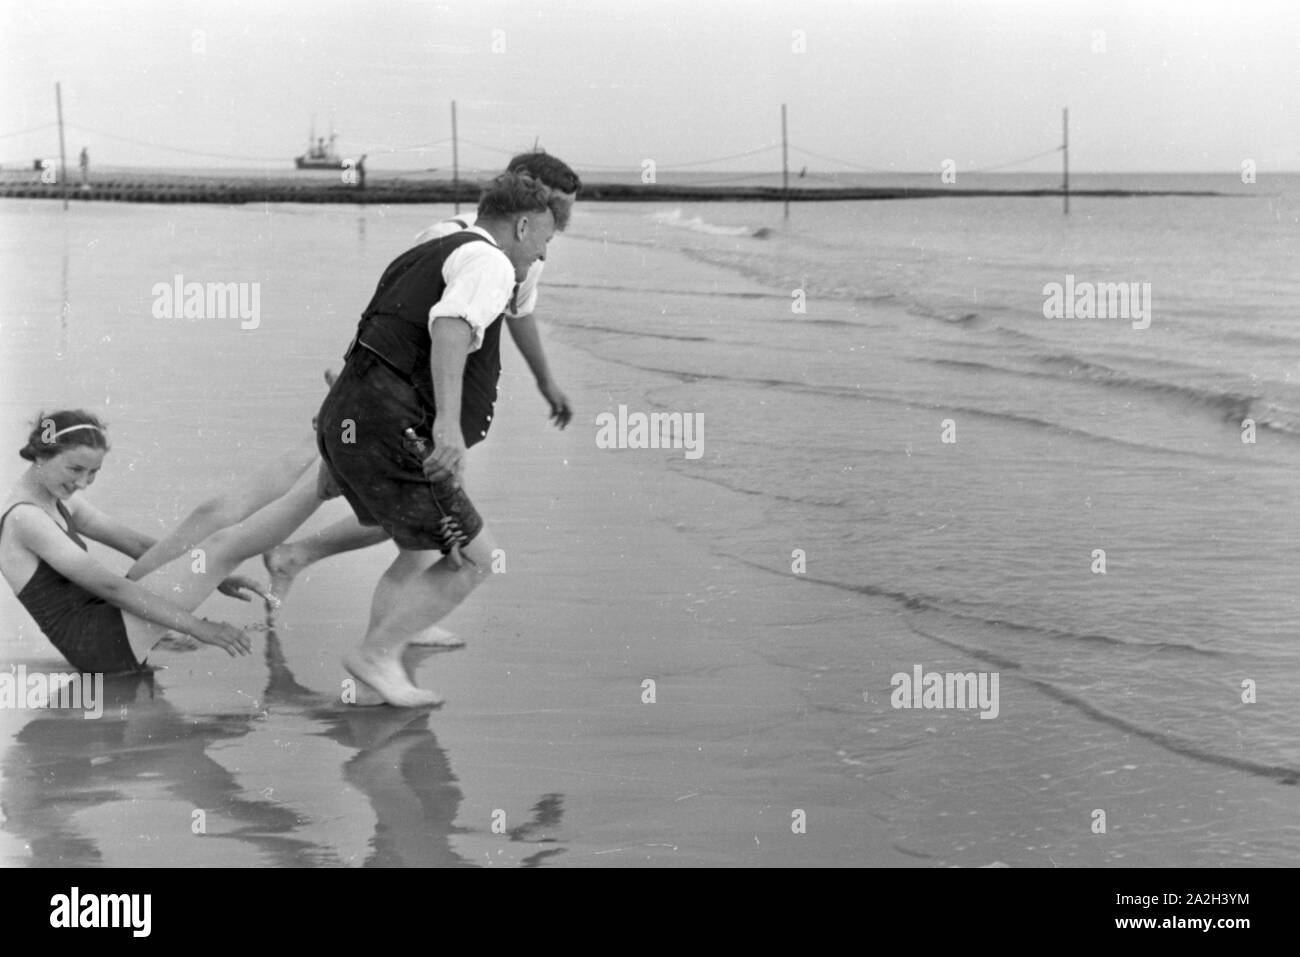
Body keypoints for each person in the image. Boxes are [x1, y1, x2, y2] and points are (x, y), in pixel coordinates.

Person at [262, 151, 580, 608]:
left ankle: (372, 620)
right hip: (418, 409)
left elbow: (519, 313)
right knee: (437, 528)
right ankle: (381, 640)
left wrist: (545, 382)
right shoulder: (457, 240)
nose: (562, 219)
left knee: (430, 528)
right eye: (555, 203)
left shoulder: (527, 251)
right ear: (523, 192)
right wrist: (365, 389)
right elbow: (402, 312)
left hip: (435, 406)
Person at [314, 169, 563, 707]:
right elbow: (450, 327)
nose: (541, 255)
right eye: (544, 240)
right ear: (522, 226)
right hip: (393, 426)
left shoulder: (428, 250)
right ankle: (376, 655)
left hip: (350, 412)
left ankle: (382, 670)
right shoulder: (491, 261)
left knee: (425, 546)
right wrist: (447, 424)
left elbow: (376, 333)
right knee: (478, 558)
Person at [0, 410, 324, 673]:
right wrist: (198, 627)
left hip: (107, 617)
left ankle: (321, 435)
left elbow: (139, 547)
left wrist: (210, 575)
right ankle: (325, 487)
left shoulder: (58, 496)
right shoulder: (25, 519)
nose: (83, 482)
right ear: (41, 456)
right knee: (224, 546)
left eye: (93, 472)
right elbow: (110, 587)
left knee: (208, 516)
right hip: (99, 646)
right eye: (75, 469)